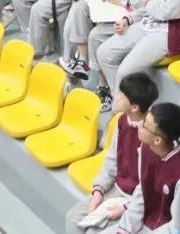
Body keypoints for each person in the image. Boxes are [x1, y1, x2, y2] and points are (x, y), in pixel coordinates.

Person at [63, 72, 158, 233]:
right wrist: (99, 190)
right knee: (72, 218)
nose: (116, 96)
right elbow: (111, 159)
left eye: (122, 95)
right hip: (115, 190)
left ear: (134, 107)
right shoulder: (121, 121)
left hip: (136, 201)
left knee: (93, 231)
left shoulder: (150, 135)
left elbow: (149, 185)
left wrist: (126, 207)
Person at [113, 102, 180, 234]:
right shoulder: (146, 148)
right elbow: (142, 191)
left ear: (157, 140)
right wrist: (125, 230)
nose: (139, 124)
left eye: (145, 124)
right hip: (149, 221)